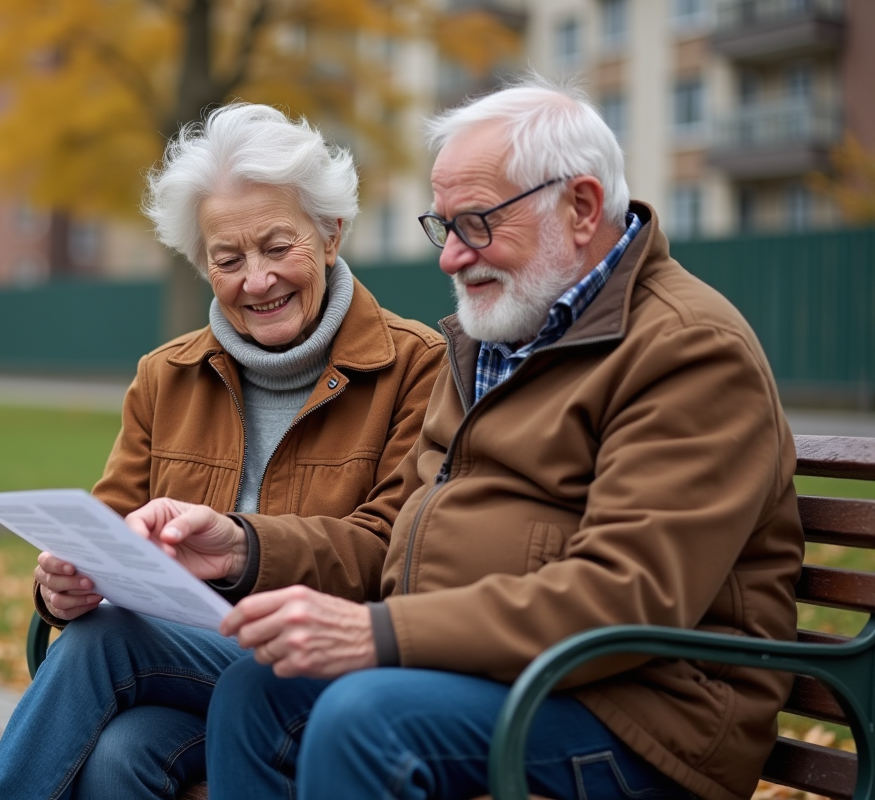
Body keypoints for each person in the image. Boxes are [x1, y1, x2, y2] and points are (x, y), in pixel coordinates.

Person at [127, 77, 804, 800]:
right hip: (482, 676)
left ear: (579, 207)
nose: (451, 256)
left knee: (365, 718)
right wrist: (243, 547)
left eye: (477, 223)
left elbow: (628, 594)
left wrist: (385, 635)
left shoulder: (686, 348)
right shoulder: (493, 337)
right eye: (443, 226)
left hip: (644, 715)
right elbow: (397, 544)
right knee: (257, 691)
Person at [0, 103, 446, 799]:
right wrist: (61, 587)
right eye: (228, 259)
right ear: (203, 264)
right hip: (196, 670)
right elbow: (103, 530)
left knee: (108, 642)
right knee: (119, 755)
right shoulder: (166, 374)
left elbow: (391, 555)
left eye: (278, 247)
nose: (256, 281)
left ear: (331, 235)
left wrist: (244, 546)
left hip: (332, 671)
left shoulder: (418, 366)